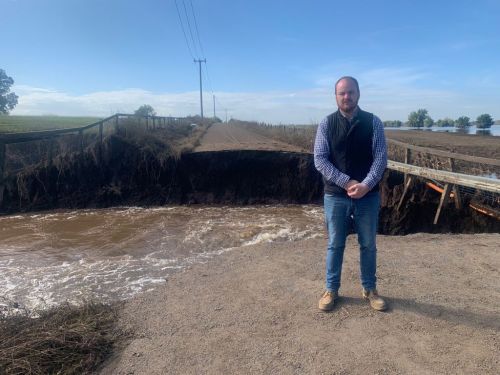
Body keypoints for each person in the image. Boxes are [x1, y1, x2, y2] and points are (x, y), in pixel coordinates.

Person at [314, 76, 388, 312]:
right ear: (336, 96)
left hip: (368, 195)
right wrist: (347, 182)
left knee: (368, 244)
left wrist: (366, 184)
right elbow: (320, 159)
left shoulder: (373, 122)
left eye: (350, 92)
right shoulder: (326, 124)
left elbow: (380, 158)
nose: (346, 97)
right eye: (342, 93)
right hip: (336, 195)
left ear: (358, 94)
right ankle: (331, 290)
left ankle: (370, 289)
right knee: (335, 244)